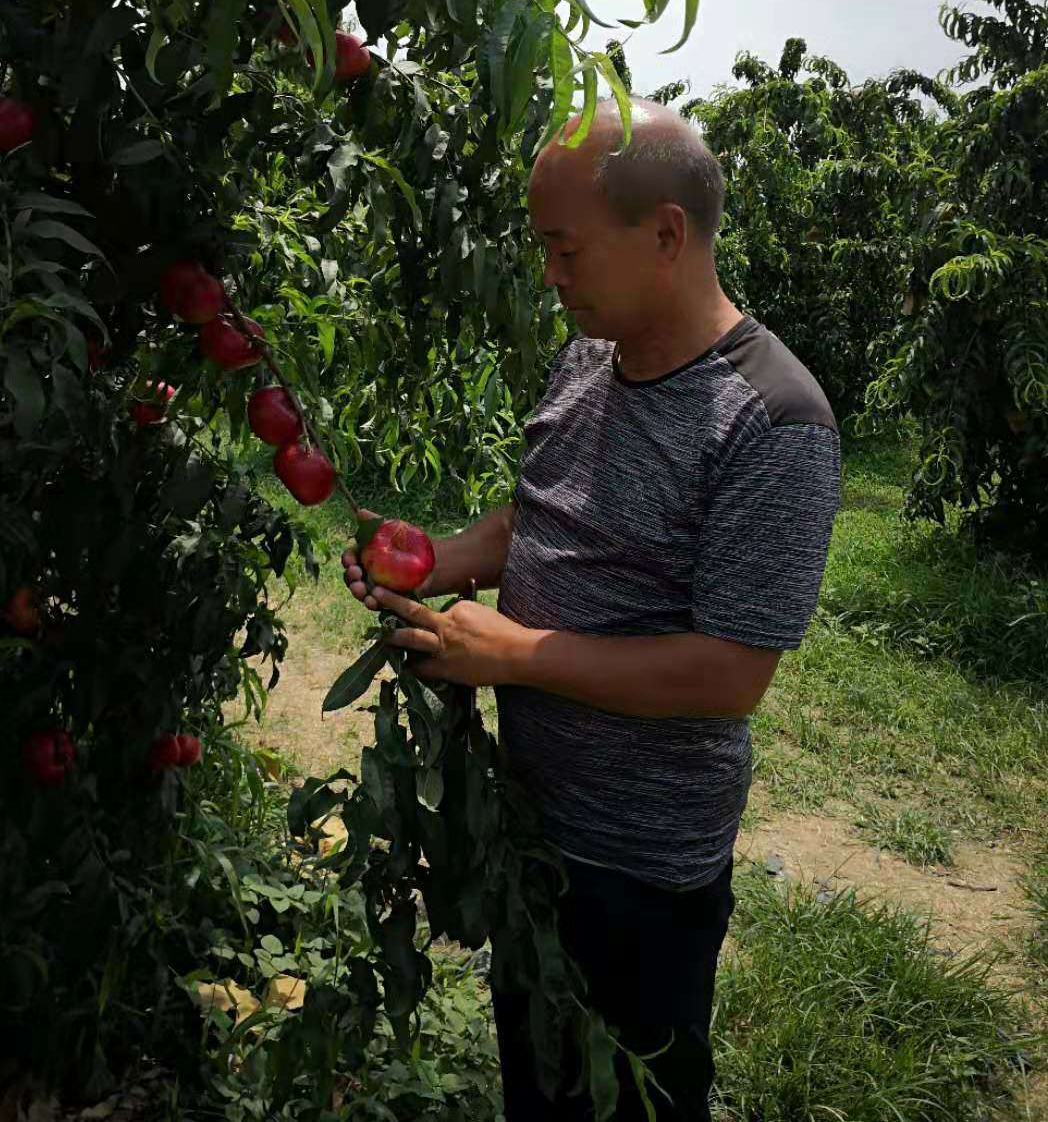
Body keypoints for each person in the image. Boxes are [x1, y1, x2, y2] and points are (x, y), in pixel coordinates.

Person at [340, 98, 842, 1120]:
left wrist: (515, 655)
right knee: (540, 1080)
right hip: (532, 829)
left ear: (665, 234)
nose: (550, 276)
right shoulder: (589, 357)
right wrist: (439, 562)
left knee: (635, 1095)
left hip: (640, 867)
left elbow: (729, 674)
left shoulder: (774, 422)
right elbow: (539, 514)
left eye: (564, 250)